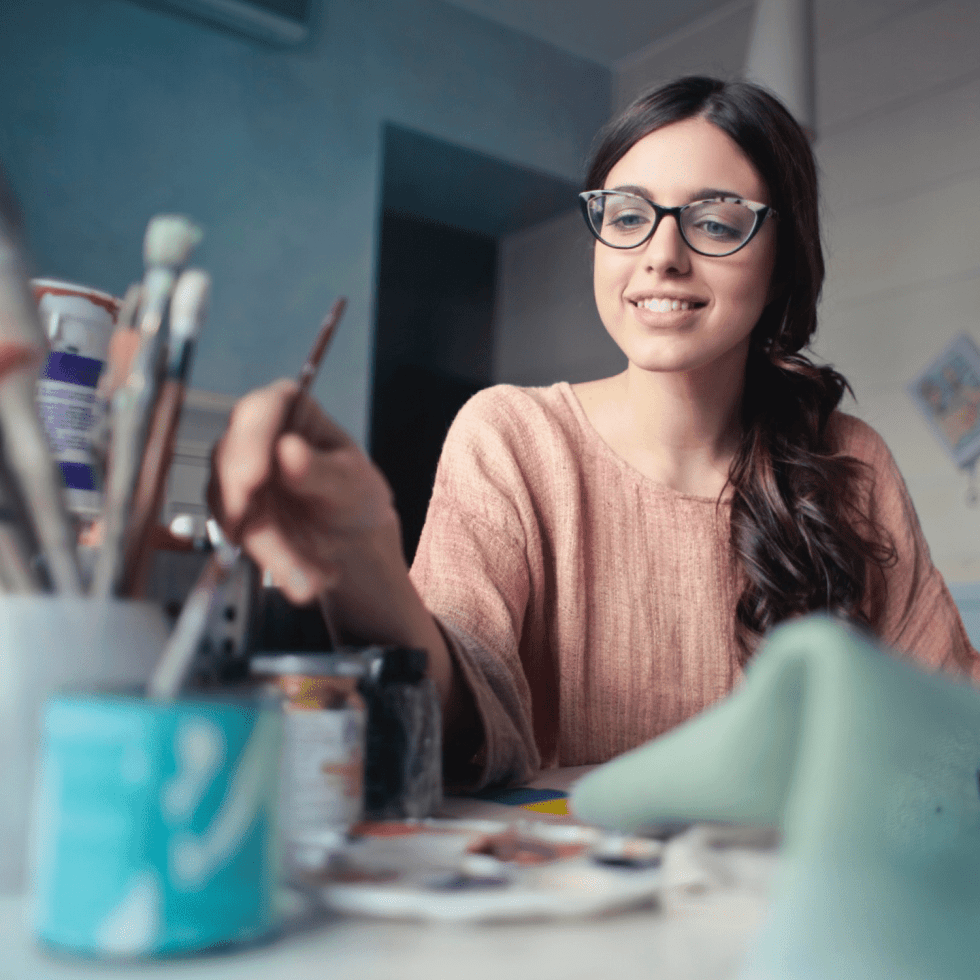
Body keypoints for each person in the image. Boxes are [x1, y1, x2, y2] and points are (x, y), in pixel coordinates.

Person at [210, 76, 979, 791]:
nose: (662, 256)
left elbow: (947, 722)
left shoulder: (849, 462)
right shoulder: (510, 436)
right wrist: (368, 563)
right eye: (628, 216)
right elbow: (461, 719)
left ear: (782, 262)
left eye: (715, 222)